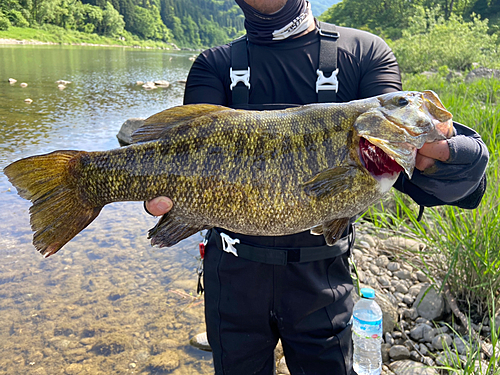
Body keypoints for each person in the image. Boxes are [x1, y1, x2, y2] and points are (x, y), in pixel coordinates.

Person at [146, 0, 489, 373]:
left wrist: (458, 163)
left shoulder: (365, 54)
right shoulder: (213, 65)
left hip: (323, 282)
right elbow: (185, 155)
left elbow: (424, 182)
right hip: (231, 278)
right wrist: (167, 201)